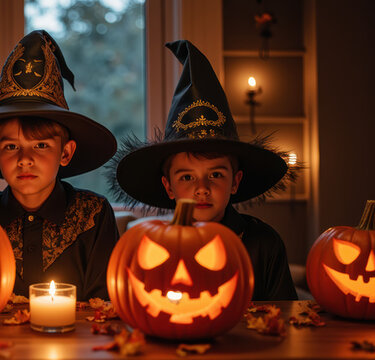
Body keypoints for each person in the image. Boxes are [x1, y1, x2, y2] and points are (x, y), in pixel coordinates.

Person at [109, 40, 298, 300]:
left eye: (216, 174)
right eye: (187, 177)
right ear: (168, 186)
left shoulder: (264, 243)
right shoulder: (151, 246)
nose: (201, 189)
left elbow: (286, 319)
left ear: (235, 181)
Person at [0, 30, 119, 301]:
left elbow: (104, 305)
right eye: (11, 147)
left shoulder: (93, 214)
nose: (25, 159)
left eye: (41, 145)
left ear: (66, 153)